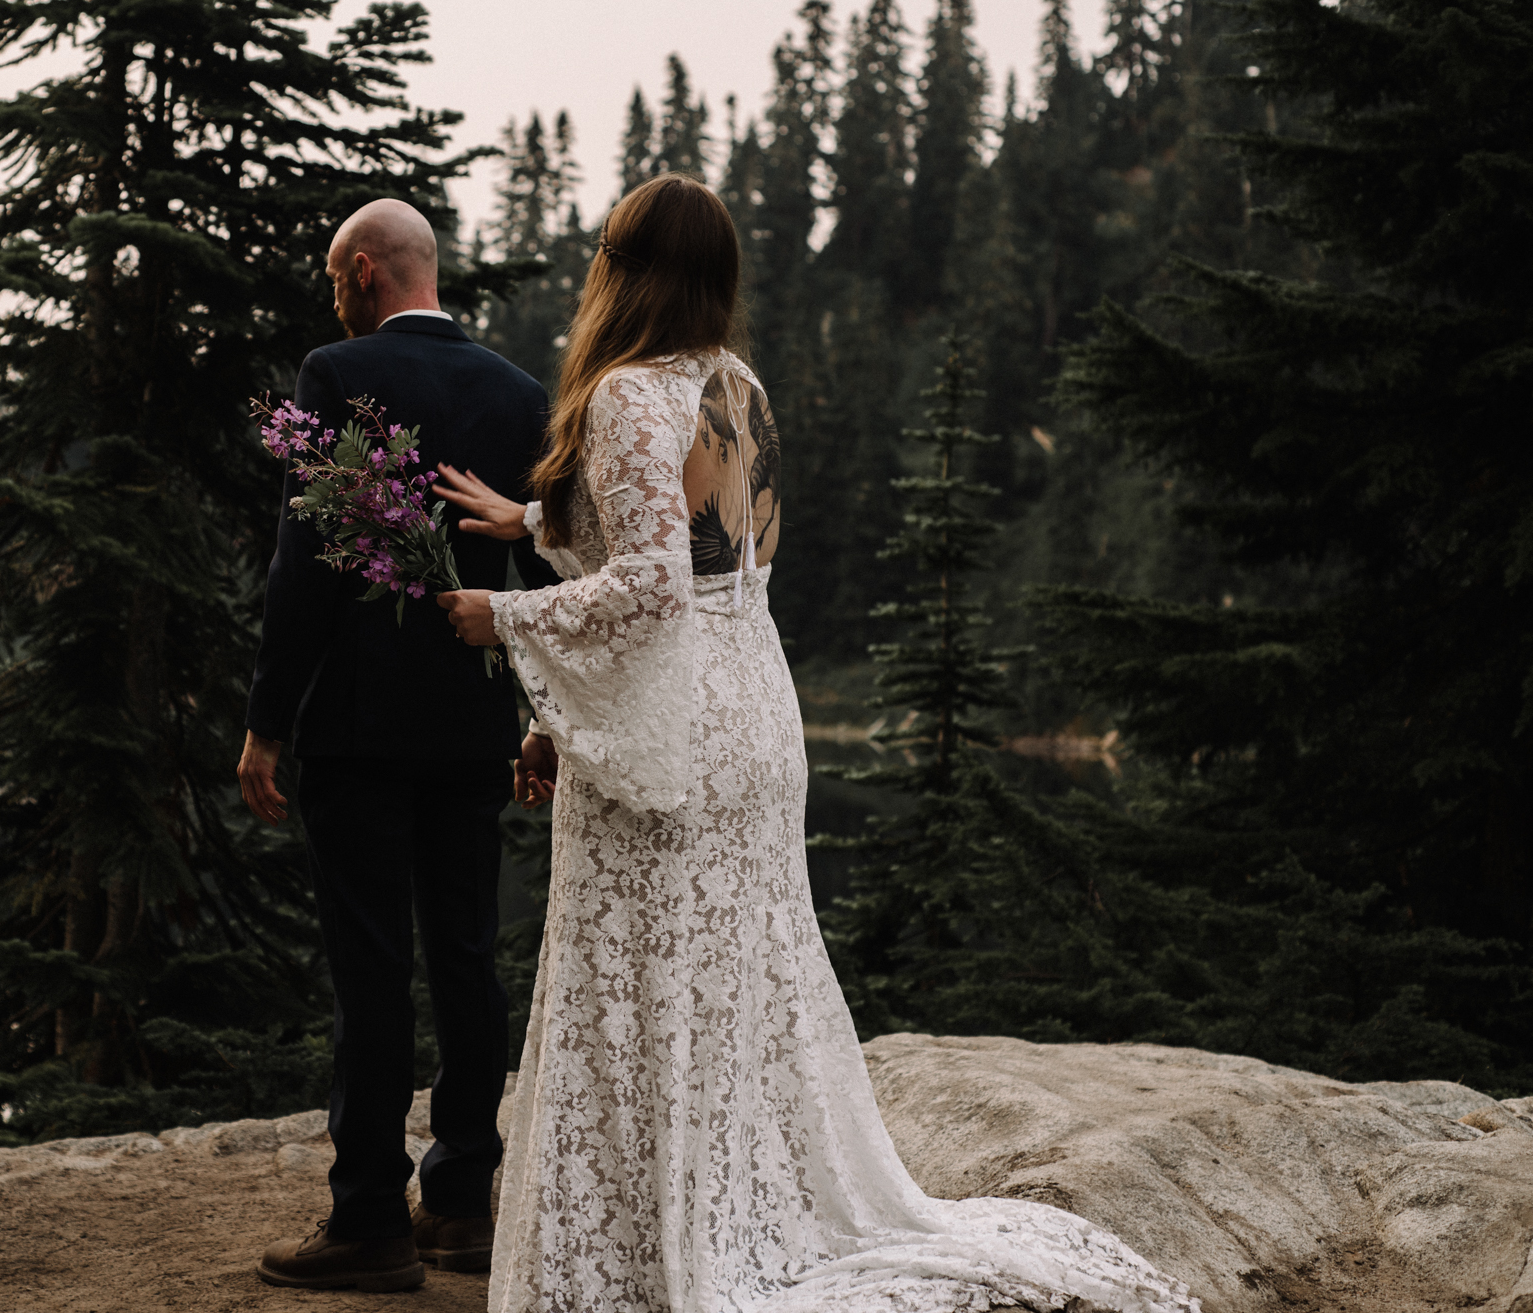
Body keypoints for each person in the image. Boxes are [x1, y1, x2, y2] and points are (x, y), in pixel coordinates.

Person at [432, 174, 1197, 1313]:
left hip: (677, 738)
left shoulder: (621, 395)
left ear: (625, 270)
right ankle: (733, 1216)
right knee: (730, 989)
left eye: (604, 252)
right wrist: (536, 522)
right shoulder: (735, 384)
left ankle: (646, 1257)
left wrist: (505, 618)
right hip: (756, 714)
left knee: (639, 991)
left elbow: (647, 586)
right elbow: (705, 554)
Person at [240, 198, 556, 1293]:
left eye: (337, 274)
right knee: (466, 952)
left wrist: (266, 720)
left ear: (366, 270)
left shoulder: (332, 373)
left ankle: (369, 1218)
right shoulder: (518, 393)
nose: (333, 294)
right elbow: (541, 572)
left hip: (361, 732)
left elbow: (304, 566)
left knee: (371, 969)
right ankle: (463, 1202)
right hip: (473, 722)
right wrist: (540, 713)